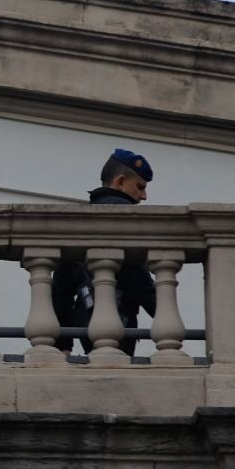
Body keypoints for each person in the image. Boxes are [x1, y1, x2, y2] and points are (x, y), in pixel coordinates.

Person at [52, 148, 158, 351]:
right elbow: (139, 281)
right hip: (119, 324)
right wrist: (163, 313)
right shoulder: (126, 221)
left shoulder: (77, 224)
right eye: (140, 186)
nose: (144, 196)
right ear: (119, 182)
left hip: (85, 323)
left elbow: (60, 292)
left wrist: (63, 344)